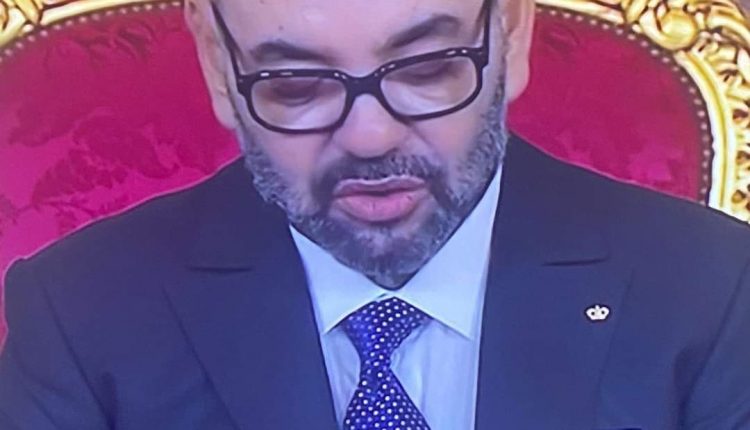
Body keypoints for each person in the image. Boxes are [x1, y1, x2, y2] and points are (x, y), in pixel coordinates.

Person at [1, 0, 749, 428]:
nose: (370, 136)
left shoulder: (713, 288)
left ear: (512, 33)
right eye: (295, 85)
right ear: (217, 65)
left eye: (428, 70)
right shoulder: (80, 313)